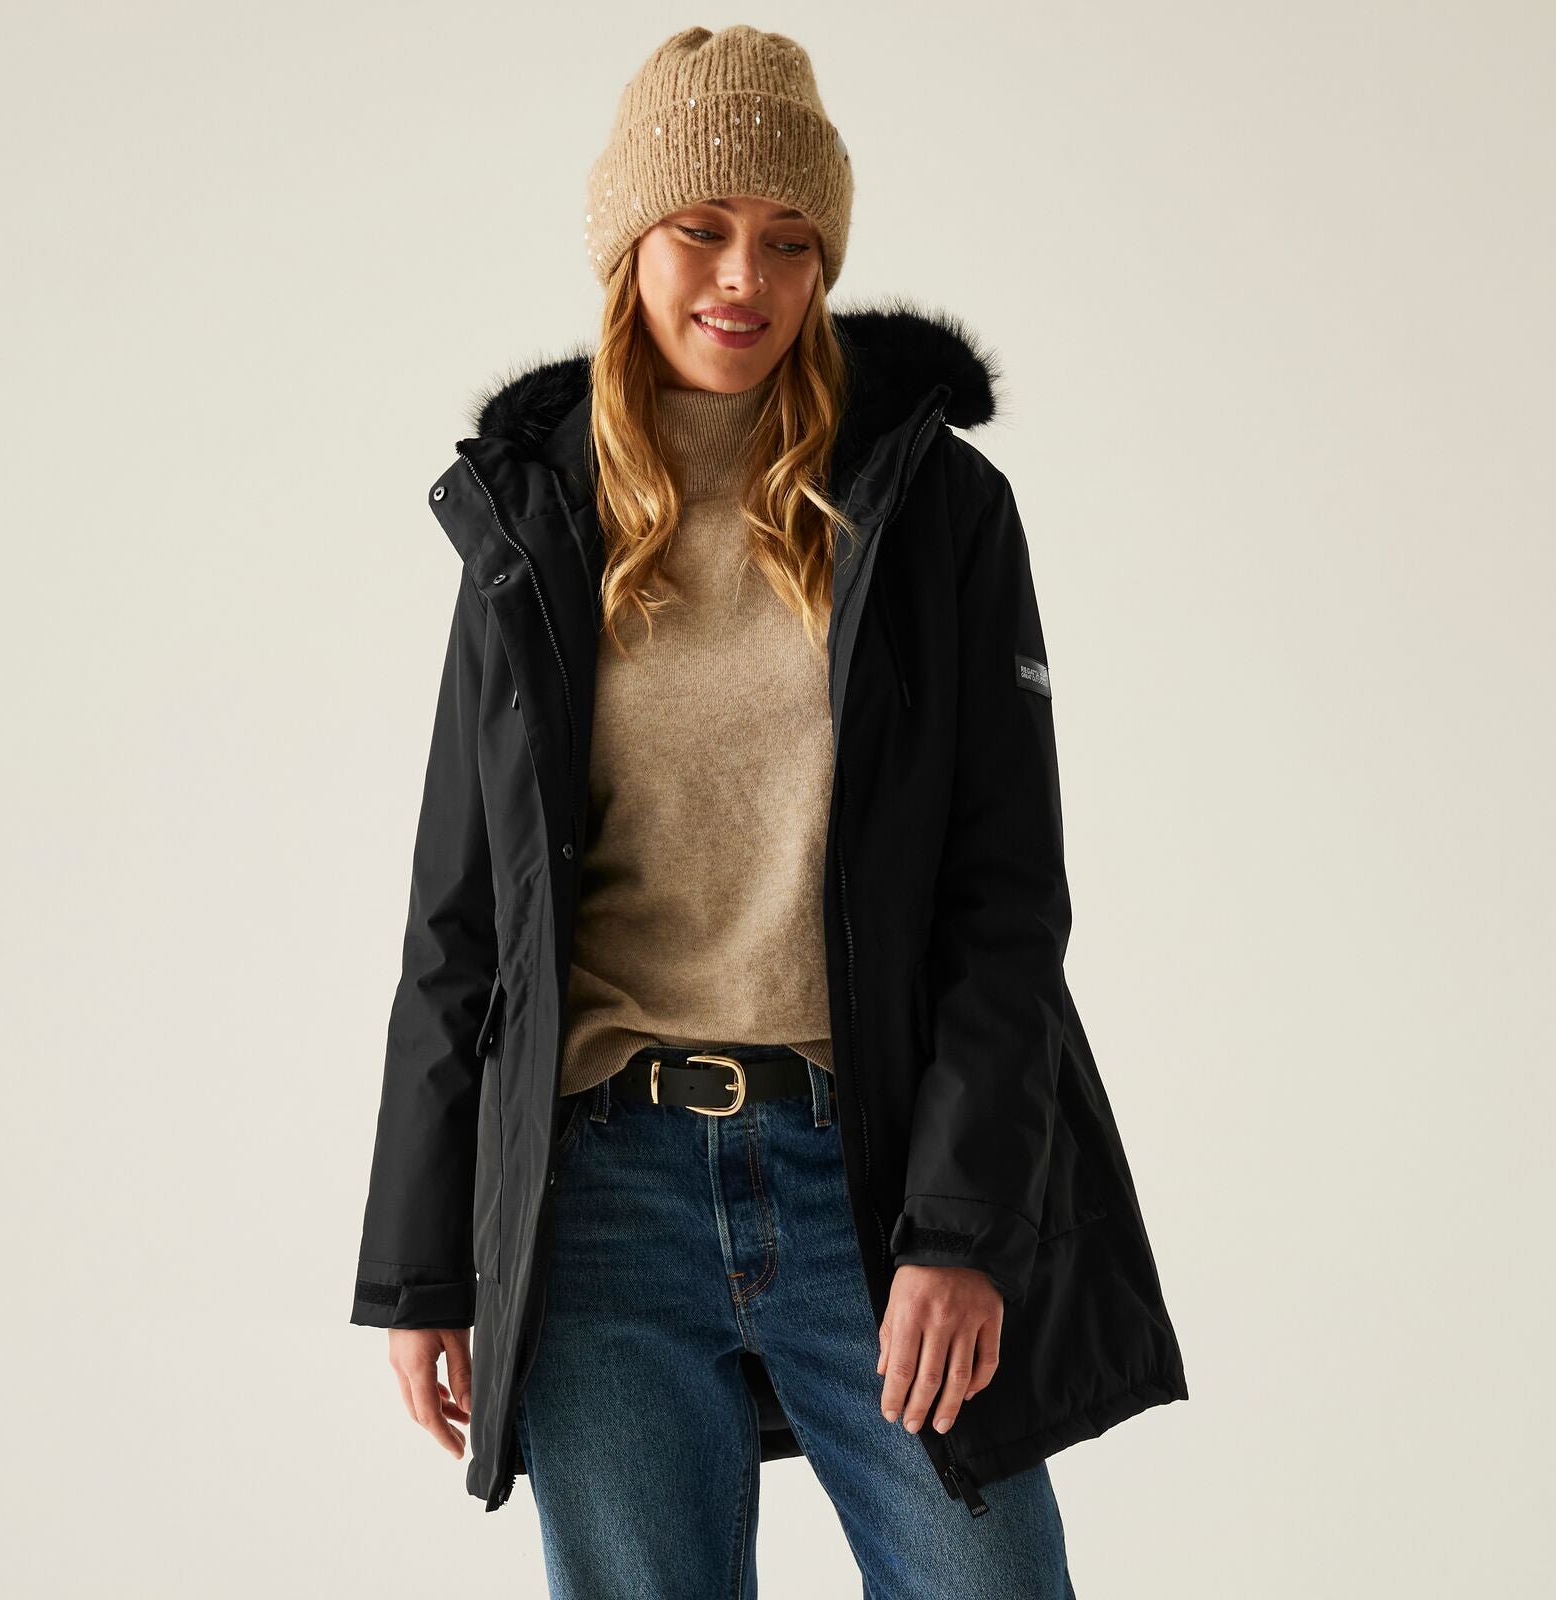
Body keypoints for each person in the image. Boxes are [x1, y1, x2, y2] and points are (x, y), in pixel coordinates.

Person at [351, 24, 1187, 1598]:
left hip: (864, 1169)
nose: (748, 278)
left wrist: (959, 1228)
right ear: (630, 245)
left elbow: (1007, 907)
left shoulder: (935, 510)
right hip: (601, 1193)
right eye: (704, 230)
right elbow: (460, 916)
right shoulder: (533, 523)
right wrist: (418, 1263)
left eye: (792, 241)